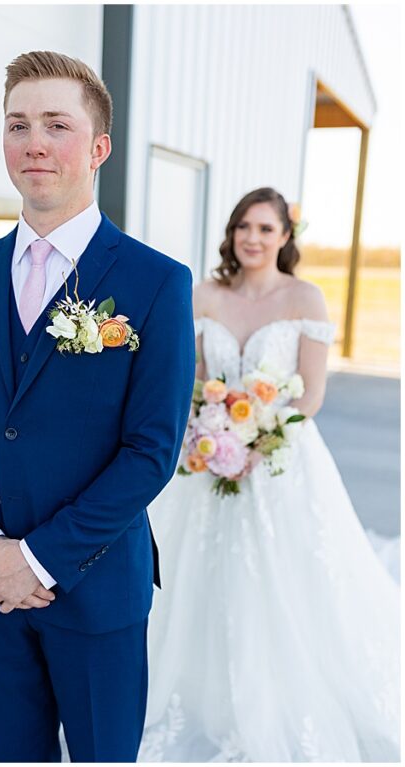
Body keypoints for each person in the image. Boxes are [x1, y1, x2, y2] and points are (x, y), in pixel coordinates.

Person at [0, 51, 195, 762]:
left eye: (55, 124)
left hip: (96, 588)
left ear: (98, 146)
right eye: (18, 124)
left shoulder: (157, 283)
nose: (33, 142)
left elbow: (151, 451)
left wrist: (38, 559)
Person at [140, 187, 400, 762]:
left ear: (285, 237)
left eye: (264, 229)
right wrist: (205, 430)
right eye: (243, 228)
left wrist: (259, 436)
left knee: (288, 582)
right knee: (191, 579)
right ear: (231, 234)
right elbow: (194, 377)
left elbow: (311, 394)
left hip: (281, 460)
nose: (252, 239)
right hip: (208, 455)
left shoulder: (305, 298)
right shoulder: (204, 295)